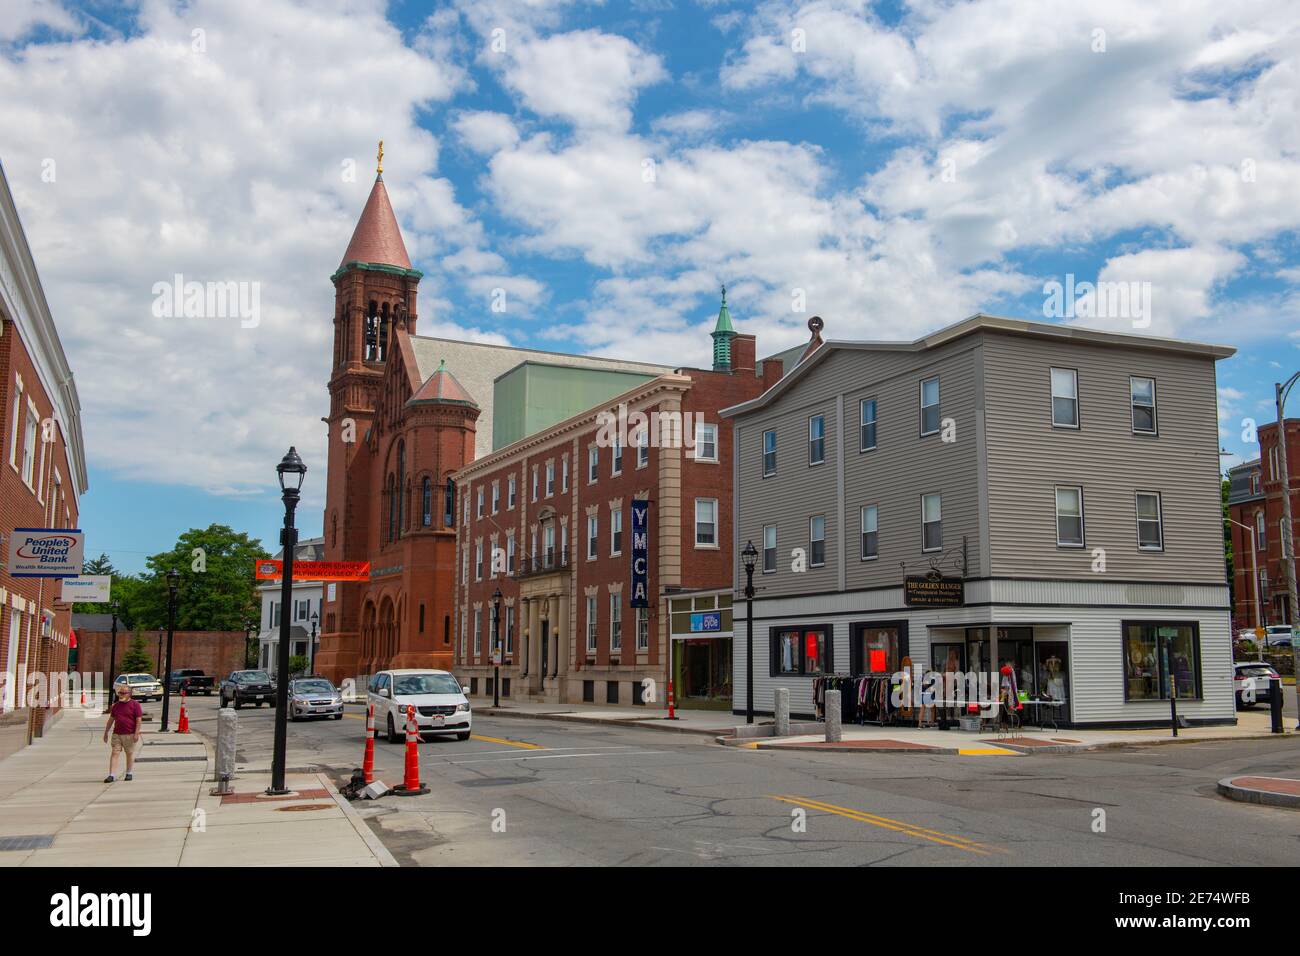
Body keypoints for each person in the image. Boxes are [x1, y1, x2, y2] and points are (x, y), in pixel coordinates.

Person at [103, 681, 143, 782]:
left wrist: (136, 733)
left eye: (123, 693)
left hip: (129, 734)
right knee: (114, 753)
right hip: (117, 734)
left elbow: (138, 720)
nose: (121, 695)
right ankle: (111, 775)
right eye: (120, 693)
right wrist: (106, 732)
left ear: (129, 694)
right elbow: (111, 720)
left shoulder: (135, 705)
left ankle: (129, 773)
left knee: (129, 753)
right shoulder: (116, 706)